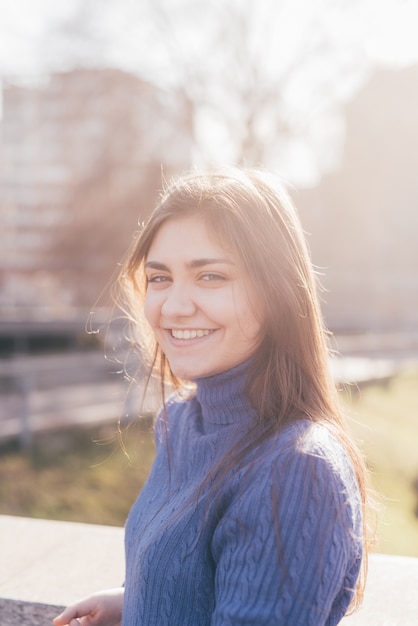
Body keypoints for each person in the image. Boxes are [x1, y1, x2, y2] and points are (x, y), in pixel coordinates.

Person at [54, 167, 373, 626]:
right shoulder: (184, 420)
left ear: (277, 292)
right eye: (160, 278)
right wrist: (132, 600)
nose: (175, 305)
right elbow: (200, 574)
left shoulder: (296, 469)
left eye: (210, 277)